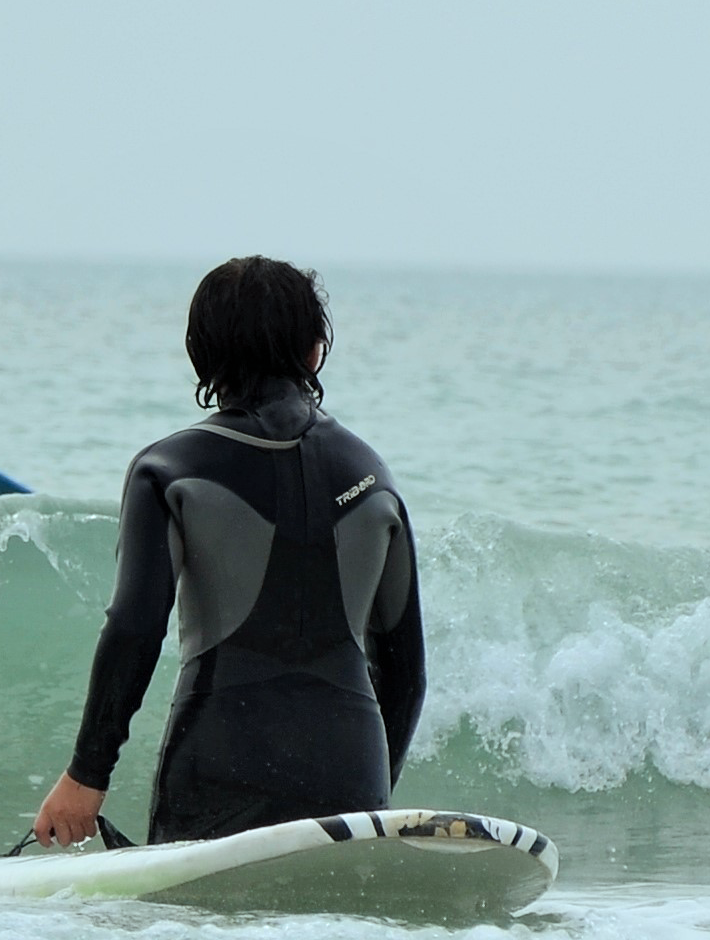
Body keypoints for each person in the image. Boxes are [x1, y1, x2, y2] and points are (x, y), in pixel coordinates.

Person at [28, 258, 426, 848]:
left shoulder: (168, 470)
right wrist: (367, 794)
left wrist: (87, 775)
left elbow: (136, 627)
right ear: (315, 350)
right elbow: (406, 673)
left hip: (221, 762)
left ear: (203, 354)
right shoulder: (373, 475)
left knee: (198, 933)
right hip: (352, 774)